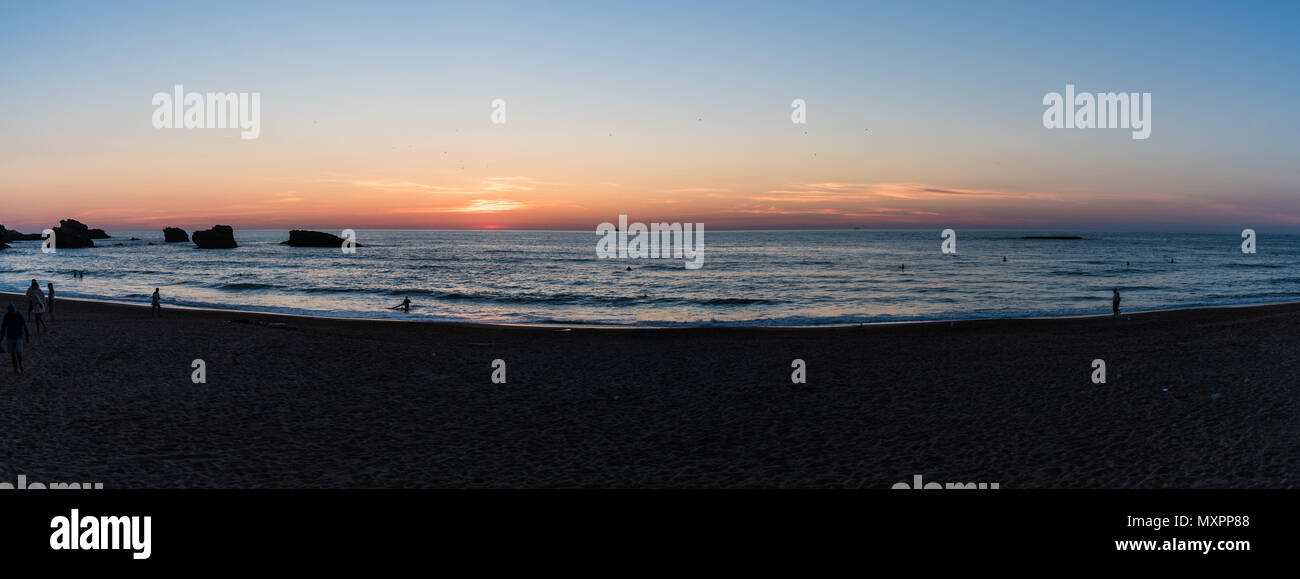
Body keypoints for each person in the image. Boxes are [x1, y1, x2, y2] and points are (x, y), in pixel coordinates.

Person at [2, 303, 31, 373]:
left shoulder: (19, 315)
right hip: (10, 337)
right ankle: (15, 368)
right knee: (13, 354)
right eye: (11, 311)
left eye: (13, 311)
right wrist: (1, 339)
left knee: (19, 354)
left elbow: (24, 325)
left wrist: (27, 335)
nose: (12, 312)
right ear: (9, 311)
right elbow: (3, 328)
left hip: (18, 337)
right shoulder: (6, 316)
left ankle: (20, 365)